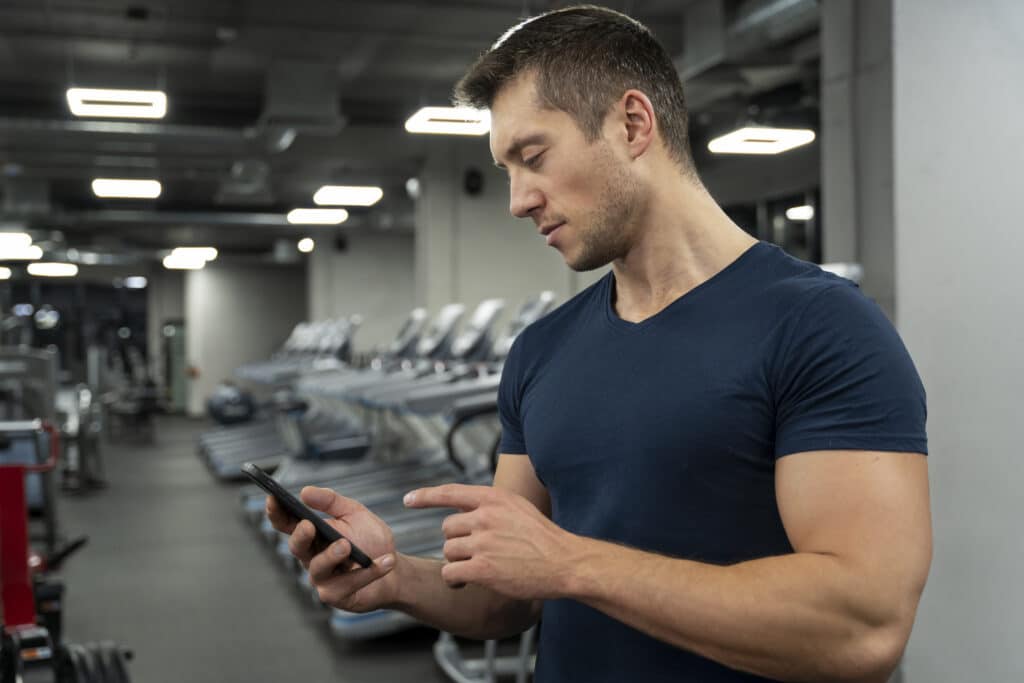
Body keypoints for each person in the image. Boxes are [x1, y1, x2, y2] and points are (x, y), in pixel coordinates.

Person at [268, 5, 931, 682]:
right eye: (506, 169)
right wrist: (394, 576)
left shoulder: (823, 328)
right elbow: (509, 593)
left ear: (632, 124)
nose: (518, 200)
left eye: (533, 157)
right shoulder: (541, 351)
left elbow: (864, 625)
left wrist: (572, 563)